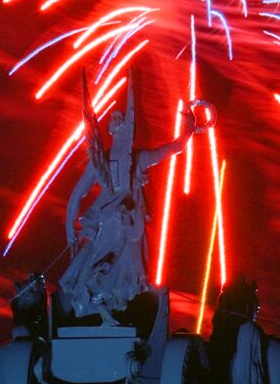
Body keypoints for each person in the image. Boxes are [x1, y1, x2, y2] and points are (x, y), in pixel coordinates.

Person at [59, 72, 198, 324]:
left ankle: (107, 309)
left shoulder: (127, 159)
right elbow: (174, 148)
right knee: (122, 268)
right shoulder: (126, 159)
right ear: (115, 130)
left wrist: (70, 224)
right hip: (123, 225)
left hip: (117, 224)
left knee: (111, 267)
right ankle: (111, 309)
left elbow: (77, 194)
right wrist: (189, 127)